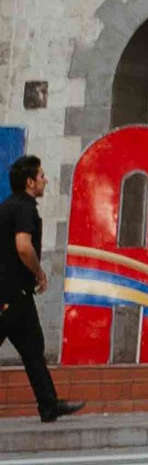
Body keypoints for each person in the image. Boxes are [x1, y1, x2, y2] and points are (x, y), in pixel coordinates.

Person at [1, 155, 82, 427]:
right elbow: (23, 246)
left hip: (9, 293)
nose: (46, 181)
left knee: (33, 348)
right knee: (33, 348)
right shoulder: (24, 208)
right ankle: (48, 404)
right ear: (29, 182)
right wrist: (39, 272)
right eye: (42, 176)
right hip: (13, 294)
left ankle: (48, 404)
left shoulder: (7, 207)